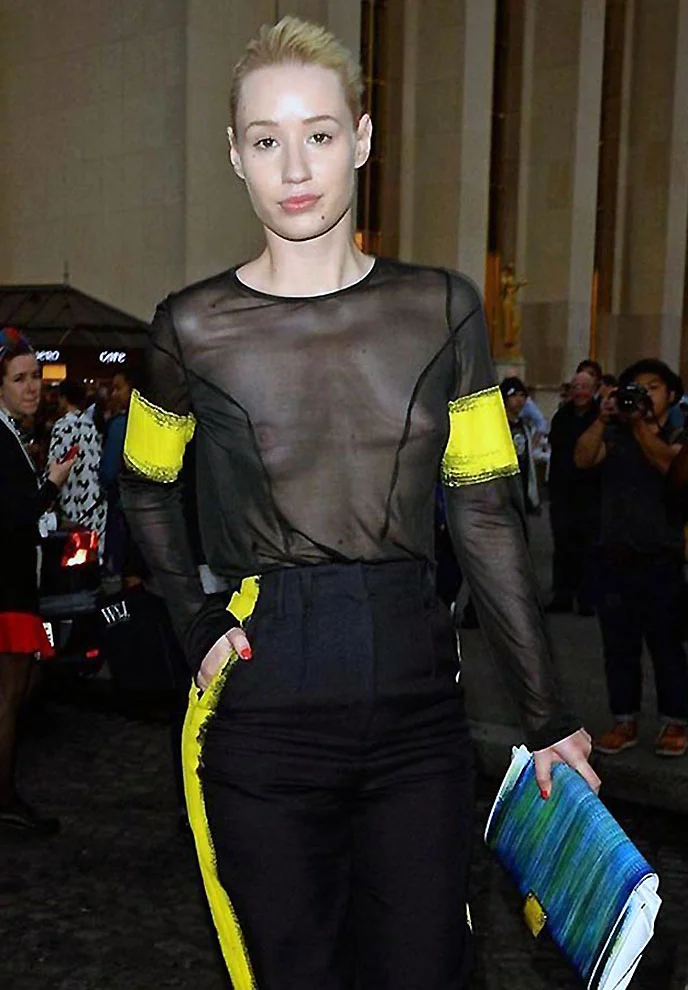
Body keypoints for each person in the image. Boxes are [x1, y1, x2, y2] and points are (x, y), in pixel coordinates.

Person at [120, 17, 598, 989]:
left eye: (320, 134)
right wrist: (193, 616)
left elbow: (484, 514)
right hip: (259, 715)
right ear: (235, 154)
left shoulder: (445, 311)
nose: (295, 167)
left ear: (363, 139)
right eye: (266, 139)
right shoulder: (188, 328)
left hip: (419, 715)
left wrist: (547, 715)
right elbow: (143, 484)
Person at [575, 358, 688, 757]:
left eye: (653, 387)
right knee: (618, 647)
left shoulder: (678, 432)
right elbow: (582, 458)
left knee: (667, 646)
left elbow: (670, 465)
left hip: (662, 558)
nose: (644, 395)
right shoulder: (616, 431)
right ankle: (624, 721)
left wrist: (641, 425)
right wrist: (603, 418)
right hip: (614, 556)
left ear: (671, 394)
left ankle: (675, 721)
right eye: (636, 388)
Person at [0, 328, 76, 833]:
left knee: (23, 686)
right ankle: (4, 798)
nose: (33, 388)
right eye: (20, 379)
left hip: (13, 582)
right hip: (7, 585)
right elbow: (15, 517)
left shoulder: (10, 434)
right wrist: (51, 483)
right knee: (12, 692)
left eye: (37, 377)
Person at [547, 370, 601, 615]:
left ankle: (587, 597)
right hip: (563, 491)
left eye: (585, 387)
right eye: (576, 387)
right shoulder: (562, 416)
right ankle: (563, 594)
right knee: (563, 545)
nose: (580, 392)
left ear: (594, 390)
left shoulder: (599, 416)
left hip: (591, 491)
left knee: (589, 547)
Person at [48, 379, 107, 556]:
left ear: (63, 398)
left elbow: (54, 467)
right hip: (95, 500)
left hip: (73, 501)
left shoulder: (62, 426)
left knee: (75, 558)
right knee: (94, 557)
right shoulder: (91, 425)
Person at [100, 370, 134, 577]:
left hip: (123, 506)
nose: (114, 394)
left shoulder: (120, 425)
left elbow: (108, 472)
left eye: (118, 388)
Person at [501, 376, 540, 515]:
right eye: (514, 395)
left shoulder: (524, 427)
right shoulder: (498, 427)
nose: (519, 400)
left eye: (522, 395)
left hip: (522, 487)